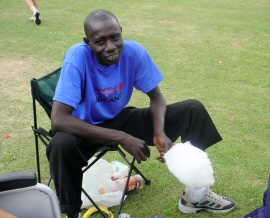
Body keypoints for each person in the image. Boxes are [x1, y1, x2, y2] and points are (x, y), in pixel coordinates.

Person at [47, 9, 236, 218]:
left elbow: (157, 98)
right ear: (88, 42)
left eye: (115, 37)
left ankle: (196, 195)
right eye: (100, 41)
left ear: (121, 32)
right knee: (60, 145)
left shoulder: (133, 52)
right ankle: (71, 214)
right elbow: (59, 119)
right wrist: (122, 137)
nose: (110, 47)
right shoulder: (78, 57)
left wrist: (159, 131)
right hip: (84, 129)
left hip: (119, 119)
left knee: (193, 109)